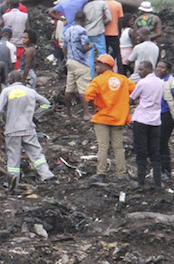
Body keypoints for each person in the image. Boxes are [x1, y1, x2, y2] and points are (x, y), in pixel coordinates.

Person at [0, 71, 56, 190]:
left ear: (11, 79)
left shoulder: (6, 91)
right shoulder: (30, 91)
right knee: (36, 153)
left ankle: (13, 181)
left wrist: (0, 123)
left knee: (13, 157)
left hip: (12, 129)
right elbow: (46, 103)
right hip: (28, 128)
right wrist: (37, 115)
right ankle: (46, 175)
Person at [85, 54, 135, 183]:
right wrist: (127, 103)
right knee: (118, 147)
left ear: (107, 66)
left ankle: (101, 174)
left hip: (102, 118)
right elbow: (136, 91)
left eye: (99, 65)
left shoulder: (98, 80)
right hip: (118, 118)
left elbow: (88, 95)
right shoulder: (123, 79)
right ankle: (121, 175)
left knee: (103, 147)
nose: (96, 67)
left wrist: (93, 108)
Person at [129, 61, 164, 189]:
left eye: (141, 69)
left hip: (142, 120)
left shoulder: (142, 83)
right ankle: (157, 183)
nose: (139, 72)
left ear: (148, 69)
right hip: (155, 121)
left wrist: (137, 101)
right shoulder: (160, 83)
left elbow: (131, 99)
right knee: (155, 152)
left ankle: (140, 181)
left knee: (141, 151)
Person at [64, 11, 94, 119]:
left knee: (69, 89)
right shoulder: (82, 31)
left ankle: (68, 113)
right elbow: (84, 47)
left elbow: (64, 47)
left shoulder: (67, 30)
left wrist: (66, 58)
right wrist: (91, 45)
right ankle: (86, 113)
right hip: (81, 62)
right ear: (82, 20)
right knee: (83, 89)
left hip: (70, 61)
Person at [155, 60, 174, 179]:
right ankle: (158, 169)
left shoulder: (172, 82)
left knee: (162, 142)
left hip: (166, 115)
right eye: (158, 67)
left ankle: (166, 170)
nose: (159, 69)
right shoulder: (153, 80)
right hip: (154, 114)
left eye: (162, 67)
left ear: (167, 70)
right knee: (155, 142)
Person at [82, 0, 111, 78]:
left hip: (88, 32)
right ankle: (104, 75)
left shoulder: (85, 5)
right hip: (99, 32)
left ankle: (90, 76)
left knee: (89, 56)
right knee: (102, 54)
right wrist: (103, 24)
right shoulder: (102, 3)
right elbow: (109, 18)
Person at [0, 0, 29, 68]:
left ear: (10, 5)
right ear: (18, 5)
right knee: (19, 67)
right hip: (21, 46)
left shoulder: (5, 16)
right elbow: (28, 30)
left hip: (9, 45)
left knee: (9, 67)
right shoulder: (25, 16)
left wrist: (2, 36)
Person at [103, 0, 124, 73]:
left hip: (103, 33)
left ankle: (105, 71)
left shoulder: (102, 4)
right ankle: (121, 72)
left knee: (105, 54)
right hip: (114, 33)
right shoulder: (118, 5)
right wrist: (119, 32)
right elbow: (120, 20)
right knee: (118, 54)